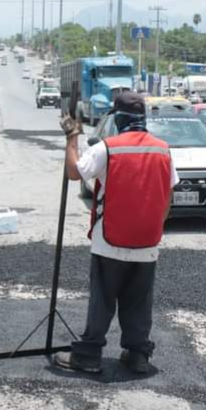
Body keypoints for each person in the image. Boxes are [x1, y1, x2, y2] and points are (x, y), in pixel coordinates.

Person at [53, 91, 178, 375]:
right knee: (139, 303)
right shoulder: (163, 150)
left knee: (103, 300)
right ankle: (137, 356)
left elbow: (74, 172)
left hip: (109, 241)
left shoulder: (107, 148)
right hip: (147, 243)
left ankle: (88, 356)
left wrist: (72, 136)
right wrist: (154, 227)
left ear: (117, 118)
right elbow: (167, 198)